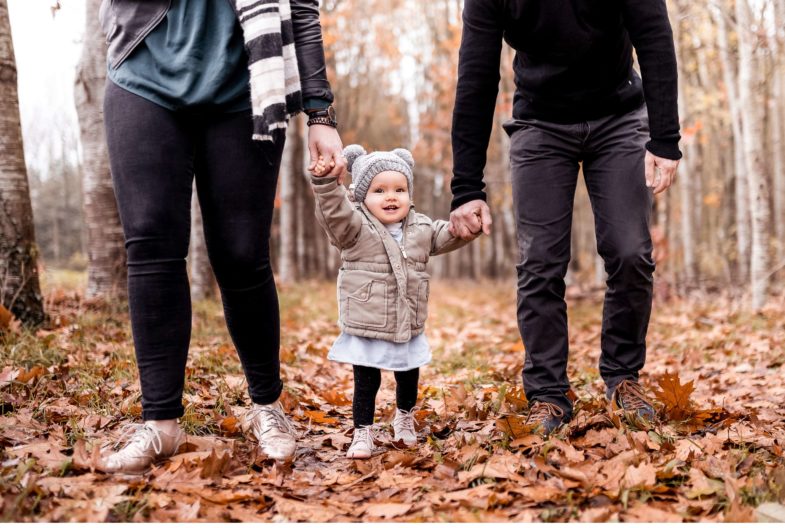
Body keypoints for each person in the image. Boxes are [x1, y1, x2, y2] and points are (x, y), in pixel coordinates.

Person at [97, 0, 345, 473]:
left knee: (241, 255)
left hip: (246, 81)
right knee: (150, 243)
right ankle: (161, 422)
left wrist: (320, 114)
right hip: (142, 70)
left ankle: (267, 407)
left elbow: (303, 7)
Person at [448, 0, 682, 435]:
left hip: (618, 115)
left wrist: (665, 138)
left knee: (631, 253)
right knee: (540, 262)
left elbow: (654, 37)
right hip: (540, 122)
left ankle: (623, 378)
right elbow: (476, 76)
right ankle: (548, 394)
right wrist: (466, 186)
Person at [310, 145, 475, 458]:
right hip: (368, 321)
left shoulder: (420, 227)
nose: (391, 197)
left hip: (406, 320)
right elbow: (334, 211)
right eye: (379, 190)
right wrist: (326, 185)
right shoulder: (354, 228)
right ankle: (362, 432)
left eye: (400, 189)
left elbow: (447, 234)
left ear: (410, 194)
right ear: (361, 196)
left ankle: (404, 417)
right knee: (366, 380)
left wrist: (467, 228)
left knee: (408, 375)